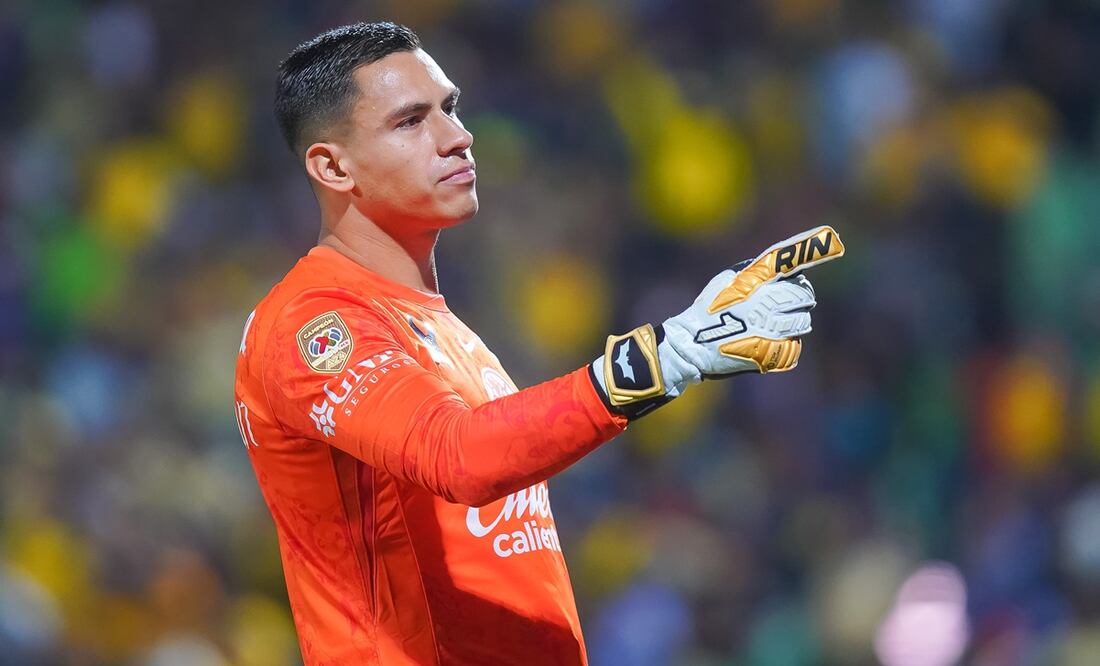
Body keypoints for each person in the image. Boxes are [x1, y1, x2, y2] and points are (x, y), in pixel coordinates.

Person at [234, 21, 841, 666]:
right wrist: (669, 355)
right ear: (332, 165)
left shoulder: (446, 331)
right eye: (411, 121)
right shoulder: (311, 322)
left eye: (451, 107)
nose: (458, 137)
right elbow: (458, 457)